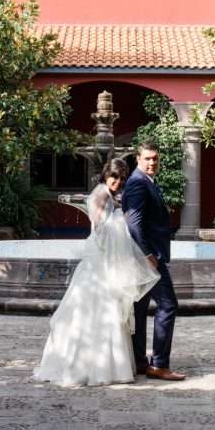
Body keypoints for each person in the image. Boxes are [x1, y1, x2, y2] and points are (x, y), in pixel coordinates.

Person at [33, 158, 160, 387]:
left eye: (122, 178)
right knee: (94, 304)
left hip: (102, 253)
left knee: (106, 305)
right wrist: (120, 225)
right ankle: (91, 366)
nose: (118, 182)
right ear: (106, 175)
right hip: (99, 256)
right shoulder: (102, 194)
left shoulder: (107, 194)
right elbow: (98, 228)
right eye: (115, 177)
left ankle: (106, 364)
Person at [122, 141, 186, 381]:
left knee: (139, 308)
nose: (152, 163)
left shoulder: (146, 181)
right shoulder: (139, 182)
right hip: (148, 259)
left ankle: (139, 360)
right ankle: (159, 364)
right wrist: (149, 255)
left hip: (143, 257)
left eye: (155, 158)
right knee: (169, 305)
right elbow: (133, 223)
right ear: (137, 159)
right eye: (147, 158)